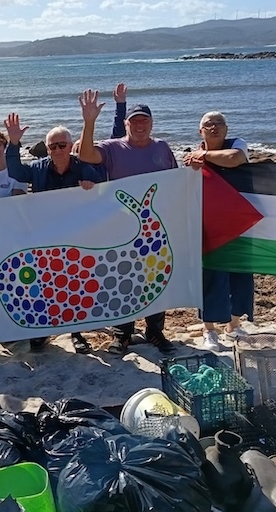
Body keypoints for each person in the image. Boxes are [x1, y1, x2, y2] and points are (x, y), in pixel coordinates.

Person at [78, 90, 178, 355]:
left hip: (156, 230)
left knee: (155, 276)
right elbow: (85, 155)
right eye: (134, 121)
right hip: (122, 229)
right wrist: (89, 121)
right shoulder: (113, 147)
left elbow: (177, 182)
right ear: (126, 124)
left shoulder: (162, 148)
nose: (140, 125)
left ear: (152, 123)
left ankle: (155, 331)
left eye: (144, 120)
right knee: (123, 279)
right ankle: (122, 334)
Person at [4, 113, 103, 354]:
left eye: (62, 145)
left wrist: (91, 187)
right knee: (43, 284)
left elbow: (102, 194)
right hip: (44, 237)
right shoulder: (39, 168)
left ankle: (76, 333)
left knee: (74, 285)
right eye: (52, 146)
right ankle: (43, 331)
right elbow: (16, 172)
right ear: (47, 149)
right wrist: (13, 143)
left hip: (75, 237)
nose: (57, 150)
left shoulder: (84, 169)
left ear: (70, 146)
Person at [182, 111, 254, 352]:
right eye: (208, 124)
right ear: (200, 131)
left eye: (219, 123)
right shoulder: (191, 157)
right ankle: (209, 329)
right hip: (209, 226)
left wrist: (203, 156)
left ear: (226, 128)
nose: (214, 127)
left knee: (241, 274)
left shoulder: (237, 144)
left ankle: (233, 325)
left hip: (239, 222)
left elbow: (234, 159)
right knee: (210, 276)